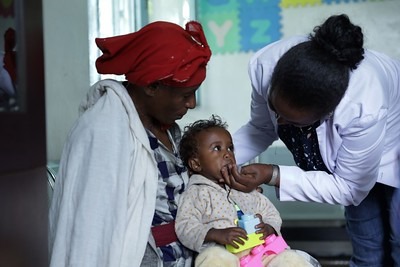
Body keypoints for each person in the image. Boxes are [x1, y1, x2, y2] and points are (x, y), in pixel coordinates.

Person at [221, 14, 400, 266]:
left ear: (328, 113)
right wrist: (221, 161)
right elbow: (260, 128)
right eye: (276, 110)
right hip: (356, 158)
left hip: (395, 141)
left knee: (398, 239)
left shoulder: (361, 105)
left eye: (293, 123)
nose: (280, 124)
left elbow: (350, 187)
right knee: (367, 247)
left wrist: (273, 173)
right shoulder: (267, 66)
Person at [48, 21, 211, 267]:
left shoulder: (172, 132)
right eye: (185, 95)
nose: (192, 104)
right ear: (151, 86)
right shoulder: (103, 130)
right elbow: (89, 229)